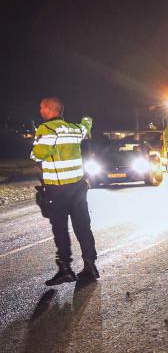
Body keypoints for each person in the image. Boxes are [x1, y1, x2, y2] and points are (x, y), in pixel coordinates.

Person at [31, 97, 98, 286]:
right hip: (78, 187)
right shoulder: (74, 129)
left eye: (41, 107)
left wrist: (38, 146)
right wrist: (87, 117)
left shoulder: (46, 129)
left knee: (60, 229)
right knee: (83, 226)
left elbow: (37, 155)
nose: (40, 110)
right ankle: (90, 265)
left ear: (49, 109)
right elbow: (86, 126)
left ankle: (65, 270)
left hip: (57, 190)